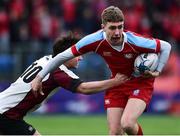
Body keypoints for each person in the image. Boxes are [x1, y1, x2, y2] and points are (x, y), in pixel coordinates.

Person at [31, 6, 171, 135]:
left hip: (140, 83)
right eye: (112, 28)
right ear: (103, 27)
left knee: (127, 124)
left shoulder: (136, 41)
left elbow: (166, 46)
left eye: (120, 27)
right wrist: (39, 77)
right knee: (114, 132)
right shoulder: (93, 40)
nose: (117, 32)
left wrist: (158, 71)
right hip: (116, 83)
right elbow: (61, 57)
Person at [0, 34, 128, 135]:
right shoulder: (58, 71)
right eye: (78, 54)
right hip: (7, 115)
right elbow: (83, 88)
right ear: (68, 54)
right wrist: (114, 82)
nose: (81, 58)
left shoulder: (47, 59)